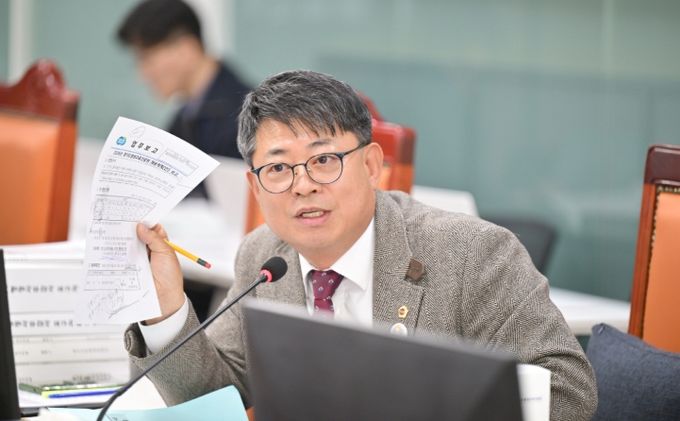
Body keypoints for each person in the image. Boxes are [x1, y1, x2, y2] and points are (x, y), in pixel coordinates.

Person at [126, 70, 597, 420]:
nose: (303, 185)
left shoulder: (473, 253)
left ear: (372, 166)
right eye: (279, 168)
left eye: (324, 160)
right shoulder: (265, 255)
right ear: (256, 187)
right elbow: (215, 398)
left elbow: (569, 393)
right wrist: (166, 309)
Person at [116, 0, 250, 197]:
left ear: (185, 50)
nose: (142, 75)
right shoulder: (187, 116)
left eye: (146, 59)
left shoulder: (245, 118)